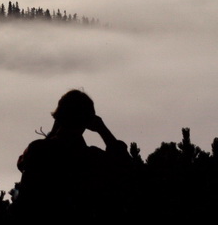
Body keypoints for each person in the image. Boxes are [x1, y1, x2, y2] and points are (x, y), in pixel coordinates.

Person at [13, 89, 132, 220]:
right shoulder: (91, 158)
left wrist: (53, 133)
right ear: (88, 121)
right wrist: (103, 130)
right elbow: (126, 170)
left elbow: (24, 164)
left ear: (58, 117)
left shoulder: (37, 149)